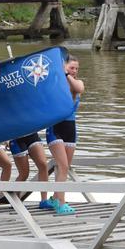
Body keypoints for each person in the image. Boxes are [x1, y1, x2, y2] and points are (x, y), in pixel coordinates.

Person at [44, 55, 84, 215]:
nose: (74, 71)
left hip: (71, 129)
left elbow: (79, 89)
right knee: (63, 165)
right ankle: (61, 203)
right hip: (55, 129)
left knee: (64, 169)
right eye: (71, 68)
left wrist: (66, 74)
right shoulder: (56, 83)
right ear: (64, 67)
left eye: (76, 69)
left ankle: (55, 197)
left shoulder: (78, 83)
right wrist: (61, 74)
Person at [9, 132, 52, 207]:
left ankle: (44, 200)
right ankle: (16, 201)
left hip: (32, 135)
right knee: (24, 174)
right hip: (16, 138)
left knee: (43, 165)